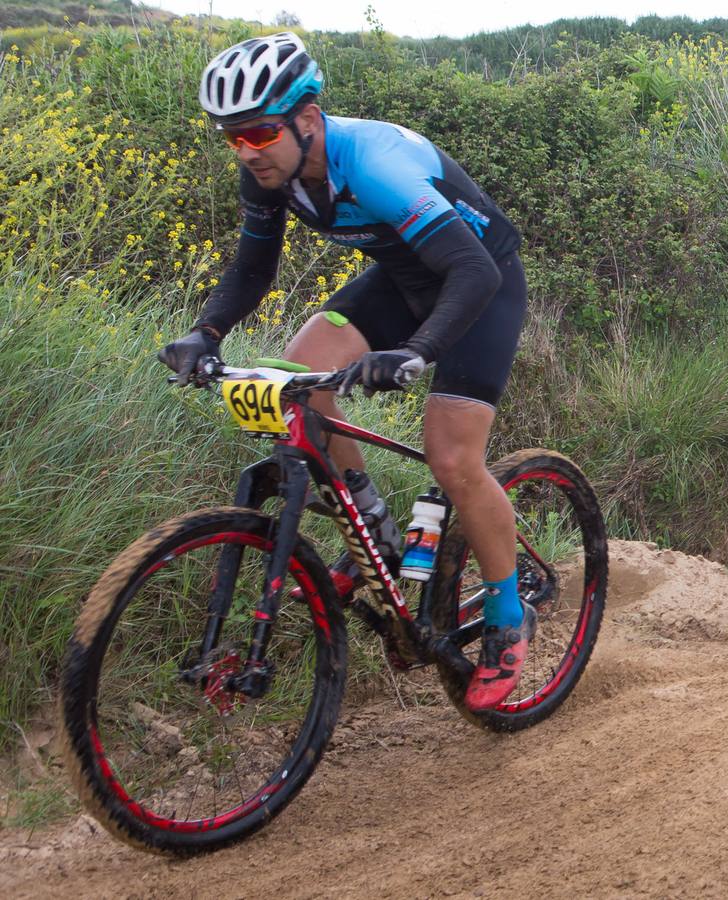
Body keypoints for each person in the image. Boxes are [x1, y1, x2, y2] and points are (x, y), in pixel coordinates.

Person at [158, 33, 535, 709]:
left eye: (261, 132)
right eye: (233, 138)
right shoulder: (269, 170)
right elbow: (253, 270)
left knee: (451, 459)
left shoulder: (374, 165)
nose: (249, 150)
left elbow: (472, 269)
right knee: (300, 378)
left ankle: (509, 618)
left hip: (481, 282)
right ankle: (377, 532)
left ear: (307, 118)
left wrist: (416, 351)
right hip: (402, 277)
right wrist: (204, 332)